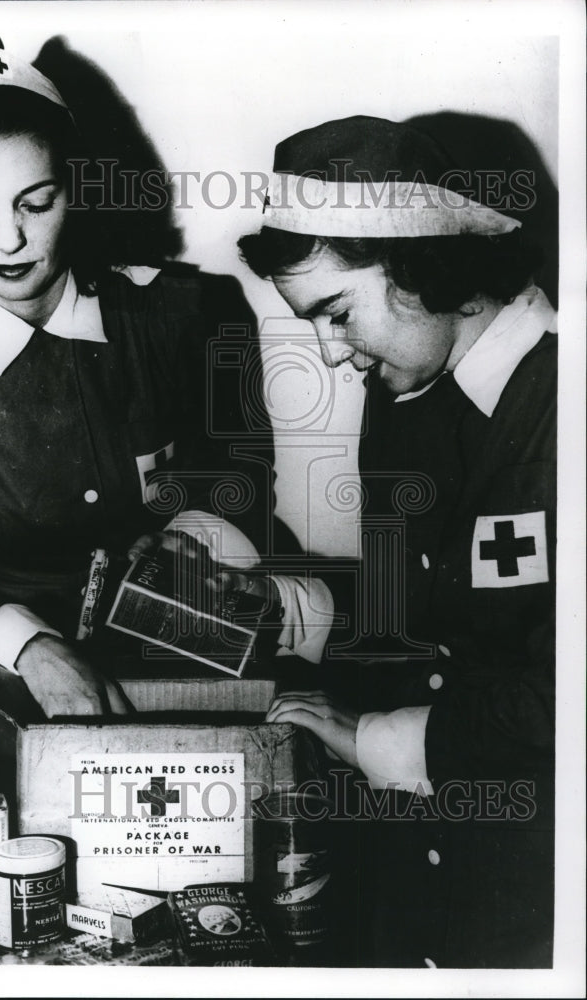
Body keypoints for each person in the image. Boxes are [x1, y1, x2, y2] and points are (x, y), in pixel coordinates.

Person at [0, 35, 326, 770]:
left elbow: (239, 477)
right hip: (5, 686)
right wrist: (34, 649)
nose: (8, 238)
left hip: (187, 668)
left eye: (37, 203)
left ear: (80, 190)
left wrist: (198, 538)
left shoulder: (188, 314)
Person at [238, 116, 556, 968]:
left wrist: (380, 739)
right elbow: (421, 611)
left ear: (422, 264)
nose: (330, 353)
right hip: (423, 879)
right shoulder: (404, 402)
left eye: (336, 312)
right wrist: (286, 612)